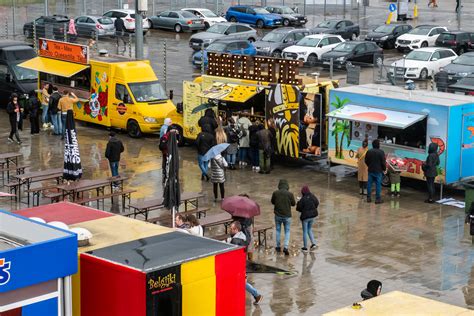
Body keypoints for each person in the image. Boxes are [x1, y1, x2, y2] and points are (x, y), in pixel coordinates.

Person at [228, 221, 263, 305]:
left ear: (236, 229)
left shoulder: (235, 241)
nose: (230, 230)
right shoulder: (244, 236)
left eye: (231, 229)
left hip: (238, 265)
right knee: (241, 282)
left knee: (241, 282)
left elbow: (232, 254)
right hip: (243, 262)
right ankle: (256, 295)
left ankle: (257, 295)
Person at [271, 179, 296, 255]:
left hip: (278, 215)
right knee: (287, 231)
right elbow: (293, 204)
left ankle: (278, 247)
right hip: (287, 216)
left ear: (279, 185)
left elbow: (272, 201)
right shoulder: (290, 194)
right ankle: (285, 247)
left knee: (278, 230)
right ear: (287, 186)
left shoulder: (275, 193)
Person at [296, 185, 319, 253]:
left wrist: (298, 201)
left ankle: (305, 247)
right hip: (313, 216)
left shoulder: (303, 199)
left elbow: (298, 208)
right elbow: (317, 203)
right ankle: (313, 244)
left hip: (305, 217)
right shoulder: (312, 196)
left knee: (305, 231)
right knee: (309, 229)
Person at [365, 139, 386, 204]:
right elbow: (383, 162)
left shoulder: (369, 151)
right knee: (378, 185)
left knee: (369, 184)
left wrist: (369, 165)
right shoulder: (381, 152)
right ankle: (377, 199)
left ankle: (368, 198)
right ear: (378, 145)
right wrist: (384, 169)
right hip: (378, 171)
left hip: (371, 170)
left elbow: (366, 161)